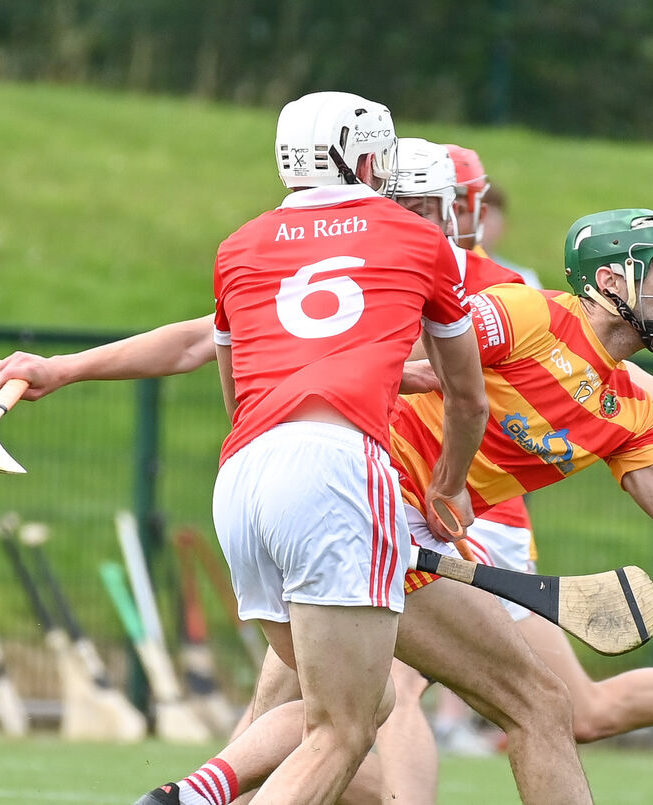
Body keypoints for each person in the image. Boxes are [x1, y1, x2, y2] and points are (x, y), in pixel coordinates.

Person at [0, 208, 653, 805]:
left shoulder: (630, 409)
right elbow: (411, 355)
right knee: (380, 722)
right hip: (350, 505)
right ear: (608, 278)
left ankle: (188, 796)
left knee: (371, 722)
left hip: (391, 537)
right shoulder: (521, 311)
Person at [144, 90, 489, 805]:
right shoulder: (415, 236)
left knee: (356, 707)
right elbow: (467, 397)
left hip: (242, 477)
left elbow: (234, 389)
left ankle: (196, 794)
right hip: (333, 468)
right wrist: (448, 486)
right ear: (361, 156)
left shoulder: (239, 243)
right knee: (342, 727)